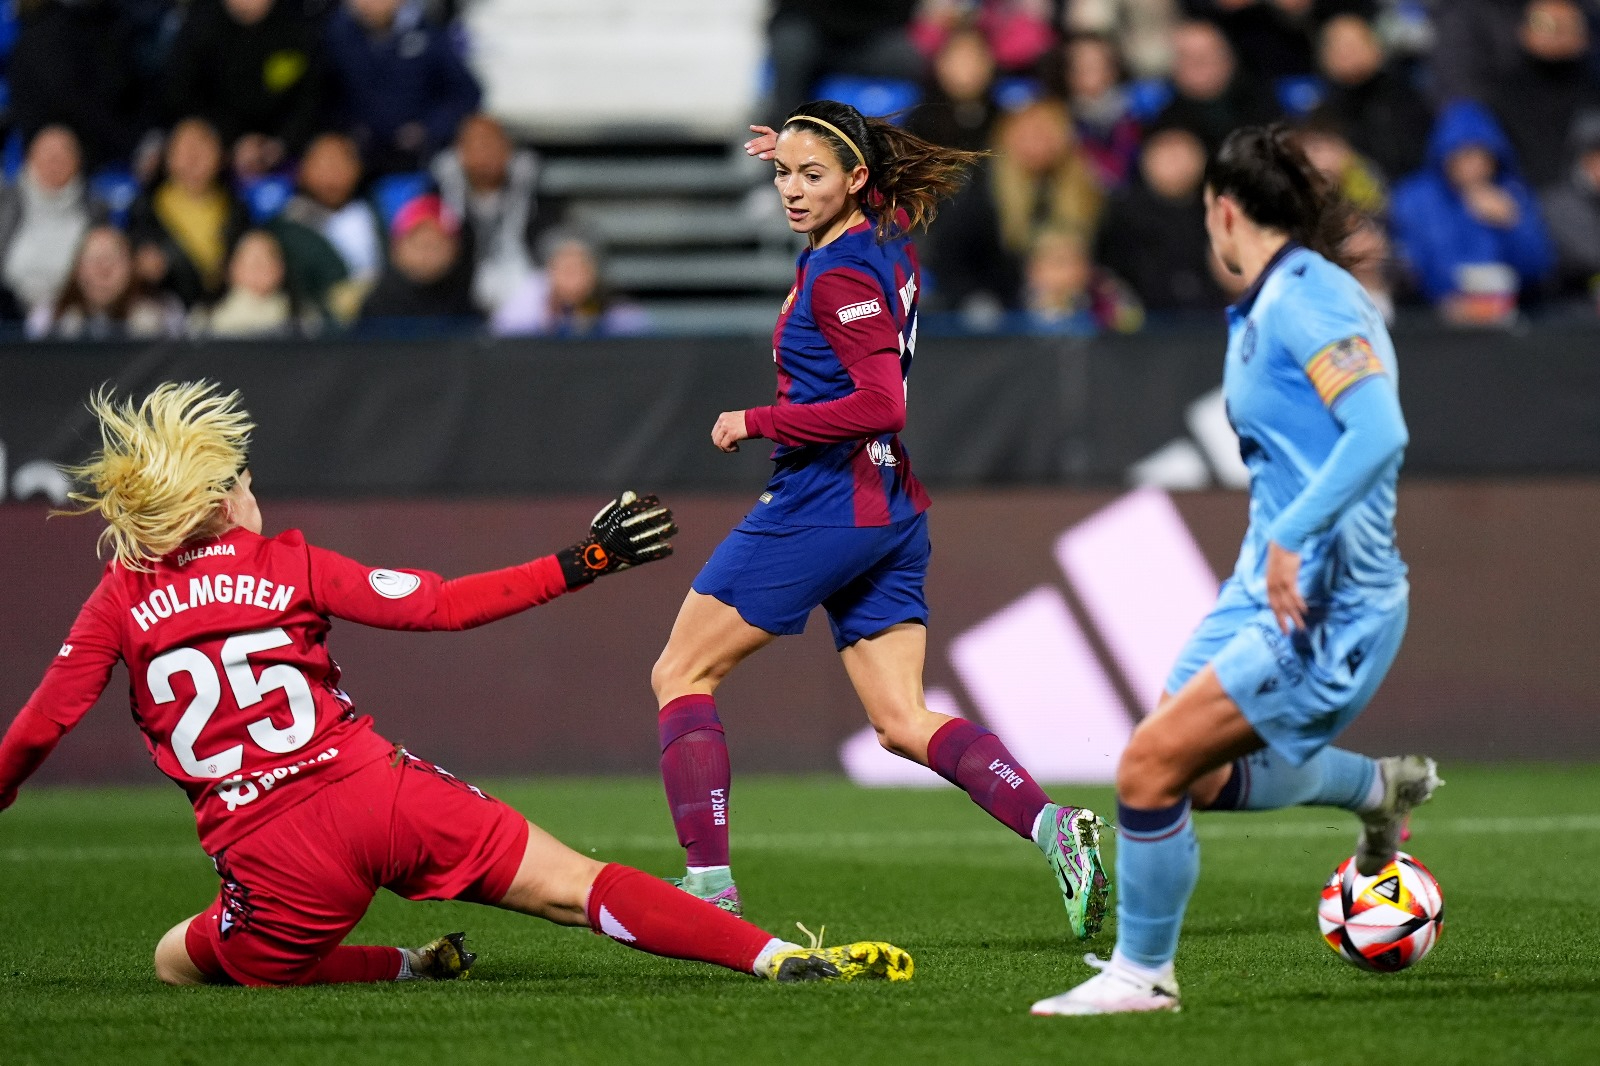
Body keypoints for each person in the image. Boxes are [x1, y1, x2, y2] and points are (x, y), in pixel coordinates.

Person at [0, 380, 912, 989]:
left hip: (273, 865)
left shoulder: (118, 600)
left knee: (176, 961)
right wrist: (581, 561)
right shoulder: (285, 563)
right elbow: (439, 607)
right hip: (378, 797)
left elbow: (40, 728)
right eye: (238, 480)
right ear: (212, 498)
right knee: (577, 884)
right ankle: (772, 956)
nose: (249, 491)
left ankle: (401, 964)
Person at [648, 101, 1111, 942]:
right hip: (891, 509)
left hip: (825, 505)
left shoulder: (840, 277)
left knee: (680, 673)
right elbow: (848, 183)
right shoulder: (880, 241)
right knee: (901, 720)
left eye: (810, 175)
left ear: (857, 179)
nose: (790, 190)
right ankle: (1057, 829)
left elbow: (880, 403)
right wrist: (795, 140)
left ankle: (708, 890)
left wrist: (759, 421)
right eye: (782, 174)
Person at [1030, 124, 1438, 1017]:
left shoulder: (1309, 299)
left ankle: (1142, 976)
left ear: (1222, 211)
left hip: (1328, 598)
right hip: (1262, 589)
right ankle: (1376, 786)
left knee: (1145, 768)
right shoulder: (1270, 304)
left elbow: (1380, 431)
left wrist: (1294, 535)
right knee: (1196, 777)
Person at [1388, 101, 1553, 321]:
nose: (1471, 164)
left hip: (1506, 315)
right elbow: (1409, 263)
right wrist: (1446, 294)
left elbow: (1539, 267)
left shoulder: (1513, 194)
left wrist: (1513, 225)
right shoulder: (1414, 198)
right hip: (1430, 318)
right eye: (1462, 154)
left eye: (1479, 154)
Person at [163, 0, 328, 180]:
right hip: (216, 140)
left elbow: (311, 96)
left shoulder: (300, 21)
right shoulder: (200, 22)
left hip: (283, 146)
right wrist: (231, 142)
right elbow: (180, 95)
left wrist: (279, 144)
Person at [325, 0, 483, 174]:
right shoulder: (335, 35)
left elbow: (466, 93)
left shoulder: (429, 33)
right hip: (355, 158)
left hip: (420, 160)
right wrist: (345, 131)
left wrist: (427, 129)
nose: (367, 4)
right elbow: (322, 96)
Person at [1093, 124, 1226, 313]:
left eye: (1181, 150)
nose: (1174, 160)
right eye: (1164, 150)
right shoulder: (1119, 215)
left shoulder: (1223, 211)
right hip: (1141, 328)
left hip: (1211, 323)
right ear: (1145, 158)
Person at [127, 117, 252, 308]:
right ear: (167, 158)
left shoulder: (238, 209)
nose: (192, 156)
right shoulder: (143, 210)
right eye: (183, 148)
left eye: (202, 146)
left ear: (221, 155)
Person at [432, 113, 541, 314]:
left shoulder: (537, 201)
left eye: (491, 144)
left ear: (508, 150)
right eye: (474, 145)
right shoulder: (436, 200)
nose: (484, 153)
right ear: (459, 153)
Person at [1488, 0, 1600, 190]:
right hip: (1520, 197)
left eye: (1565, 27)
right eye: (1545, 25)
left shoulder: (1593, 93)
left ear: (1584, 37)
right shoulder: (1503, 94)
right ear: (1523, 32)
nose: (1555, 35)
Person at [1314, 13, 1432, 182]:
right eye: (1340, 47)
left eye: (1354, 45)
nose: (1348, 54)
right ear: (1325, 57)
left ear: (1376, 48)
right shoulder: (1323, 117)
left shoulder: (1405, 95)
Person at [0, 126, 100, 314]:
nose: (54, 160)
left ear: (78, 162)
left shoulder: (96, 211)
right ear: (29, 158)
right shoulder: (5, 201)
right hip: (7, 309)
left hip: (73, 311)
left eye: (64, 154)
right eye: (46, 153)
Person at [29, 224, 184, 340]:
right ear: (77, 270)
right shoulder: (47, 318)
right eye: (93, 259)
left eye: (113, 260)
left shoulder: (166, 314)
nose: (103, 271)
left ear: (132, 268)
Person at [491, 229, 650, 338]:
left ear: (594, 273)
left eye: (580, 267)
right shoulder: (526, 306)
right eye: (565, 268)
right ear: (549, 271)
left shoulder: (621, 314)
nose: (573, 277)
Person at [1152, 19, 1278, 153]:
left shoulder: (1267, 110)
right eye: (1186, 55)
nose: (1198, 62)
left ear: (1230, 57)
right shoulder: (1163, 126)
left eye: (1208, 52)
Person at [359, 193, 479, 324]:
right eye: (418, 243)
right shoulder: (376, 307)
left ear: (455, 250)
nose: (426, 254)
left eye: (435, 244)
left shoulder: (469, 304)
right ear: (395, 248)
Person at [201, 229, 318, 337]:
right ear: (232, 267)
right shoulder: (205, 319)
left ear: (281, 268)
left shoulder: (303, 319)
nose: (261, 269)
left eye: (268, 259)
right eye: (253, 262)